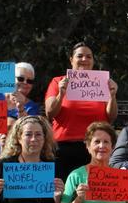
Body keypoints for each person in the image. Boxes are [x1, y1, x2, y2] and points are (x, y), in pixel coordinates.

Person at [46, 43, 119, 180]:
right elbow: (50, 113)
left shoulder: (103, 83)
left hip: (95, 148)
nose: (84, 59)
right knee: (62, 192)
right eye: (80, 56)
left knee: (92, 193)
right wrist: (61, 94)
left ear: (93, 61)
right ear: (71, 59)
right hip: (63, 148)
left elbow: (111, 116)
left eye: (89, 57)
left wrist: (112, 96)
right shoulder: (58, 82)